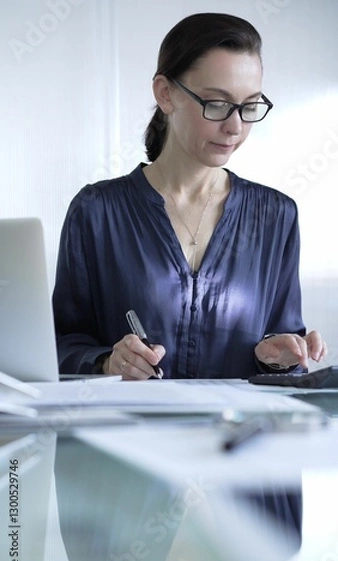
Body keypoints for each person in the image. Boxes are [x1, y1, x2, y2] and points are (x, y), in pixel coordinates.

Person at [53, 12, 327, 380]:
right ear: (165, 93)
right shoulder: (97, 211)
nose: (235, 127)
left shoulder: (276, 216)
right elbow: (59, 343)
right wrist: (105, 361)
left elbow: (285, 349)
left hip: (237, 434)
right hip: (124, 433)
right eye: (216, 104)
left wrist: (278, 357)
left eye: (250, 106)